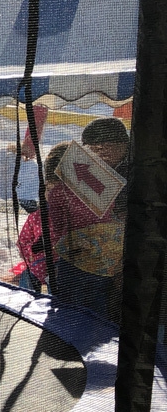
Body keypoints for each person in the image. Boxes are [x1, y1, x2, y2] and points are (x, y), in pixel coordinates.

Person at [48, 117, 130, 322]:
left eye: (105, 147)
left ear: (123, 146)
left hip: (122, 252)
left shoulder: (137, 167)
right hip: (89, 253)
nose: (100, 153)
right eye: (92, 149)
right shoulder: (86, 171)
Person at [16, 141, 70, 291]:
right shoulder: (37, 216)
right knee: (27, 279)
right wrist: (33, 252)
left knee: (58, 288)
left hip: (64, 269)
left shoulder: (77, 215)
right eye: (49, 188)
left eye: (60, 190)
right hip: (38, 266)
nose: (53, 195)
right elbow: (23, 241)